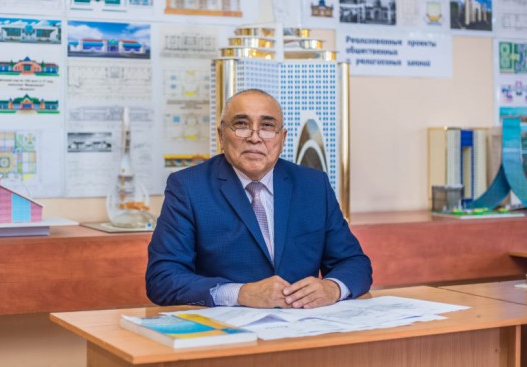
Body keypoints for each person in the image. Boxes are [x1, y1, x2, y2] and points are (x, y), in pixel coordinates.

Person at [146, 89, 372, 308]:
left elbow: (354, 263)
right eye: (241, 125)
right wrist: (240, 293)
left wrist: (332, 288)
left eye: (267, 127)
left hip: (301, 324)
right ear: (221, 135)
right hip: (227, 328)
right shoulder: (188, 187)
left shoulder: (313, 185)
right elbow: (162, 279)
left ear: (282, 138)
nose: (254, 138)